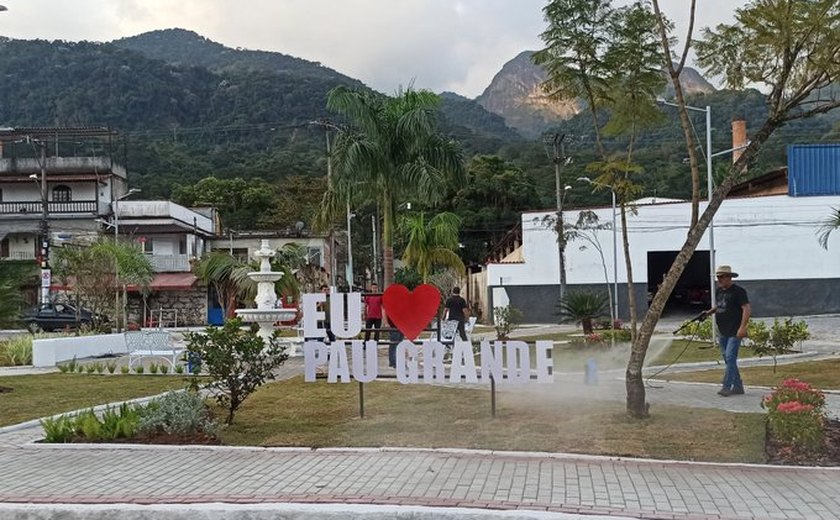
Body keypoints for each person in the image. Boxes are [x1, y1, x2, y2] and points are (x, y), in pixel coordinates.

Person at [702, 265, 751, 397]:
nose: (719, 280)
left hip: (735, 331)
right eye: (718, 277)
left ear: (729, 277)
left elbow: (746, 308)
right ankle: (738, 386)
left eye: (721, 277)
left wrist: (742, 327)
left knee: (730, 357)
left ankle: (727, 386)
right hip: (722, 330)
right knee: (728, 359)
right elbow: (719, 305)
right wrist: (708, 312)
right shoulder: (719, 291)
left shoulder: (738, 291)